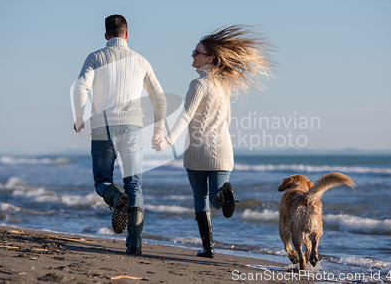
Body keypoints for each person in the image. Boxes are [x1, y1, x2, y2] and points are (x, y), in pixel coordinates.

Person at [154, 25, 275, 258]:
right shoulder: (224, 84)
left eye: (196, 52)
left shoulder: (197, 84)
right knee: (215, 200)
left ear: (209, 58)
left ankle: (208, 248)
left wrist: (168, 140)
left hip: (198, 152)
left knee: (200, 198)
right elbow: (227, 120)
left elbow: (186, 116)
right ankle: (224, 193)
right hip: (223, 150)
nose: (192, 55)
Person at [72, 15, 166, 255]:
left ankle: (115, 198)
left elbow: (81, 86)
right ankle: (134, 244)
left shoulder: (95, 57)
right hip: (132, 128)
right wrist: (158, 130)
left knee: (102, 180)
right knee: (134, 184)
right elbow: (160, 98)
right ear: (126, 34)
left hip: (102, 127)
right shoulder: (141, 61)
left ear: (106, 36)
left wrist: (79, 117)